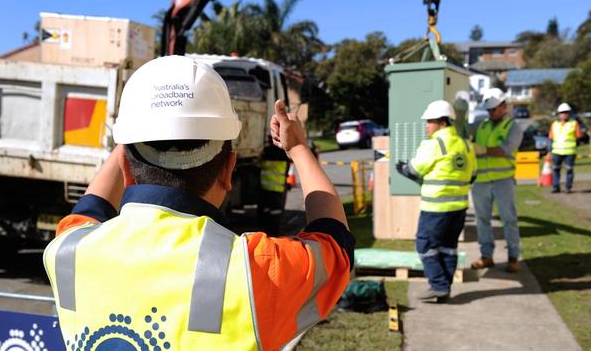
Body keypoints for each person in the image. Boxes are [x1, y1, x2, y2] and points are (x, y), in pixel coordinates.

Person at [43, 56, 354, 351]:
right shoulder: (256, 270)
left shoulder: (68, 251)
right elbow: (335, 246)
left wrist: (137, 131)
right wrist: (298, 148)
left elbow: (91, 207)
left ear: (126, 168)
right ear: (229, 170)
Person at [396, 100, 476, 302]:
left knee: (424, 245)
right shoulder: (466, 145)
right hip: (459, 208)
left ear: (441, 123)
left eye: (429, 121)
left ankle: (439, 285)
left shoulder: (434, 144)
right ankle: (445, 288)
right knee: (449, 247)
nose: (426, 126)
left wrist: (402, 168)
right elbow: (473, 174)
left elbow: (414, 169)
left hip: (435, 207)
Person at [470, 88, 524, 273]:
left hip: (503, 181)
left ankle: (513, 257)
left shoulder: (514, 127)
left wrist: (482, 149)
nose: (490, 113)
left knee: (509, 220)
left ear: (504, 106)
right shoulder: (481, 125)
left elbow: (506, 149)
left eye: (493, 109)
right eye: (488, 110)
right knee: (482, 220)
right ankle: (486, 256)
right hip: (481, 181)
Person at [549, 103, 583, 193]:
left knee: (569, 170)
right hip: (556, 151)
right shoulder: (554, 124)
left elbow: (579, 136)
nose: (564, 114)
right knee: (556, 169)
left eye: (566, 112)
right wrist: (550, 151)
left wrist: (575, 145)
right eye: (562, 112)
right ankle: (556, 187)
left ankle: (568, 187)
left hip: (569, 152)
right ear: (558, 114)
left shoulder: (574, 123)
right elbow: (551, 138)